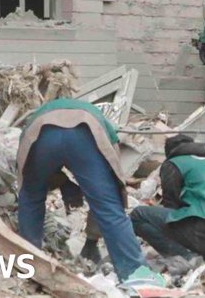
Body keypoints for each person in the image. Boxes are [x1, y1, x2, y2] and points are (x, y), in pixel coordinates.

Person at [16, 98, 162, 284]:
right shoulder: (103, 123)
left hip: (41, 133)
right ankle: (135, 275)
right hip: (86, 132)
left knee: (30, 198)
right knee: (109, 207)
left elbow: (23, 168)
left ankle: (29, 263)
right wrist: (92, 238)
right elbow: (113, 180)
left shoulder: (36, 116)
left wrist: (43, 184)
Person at [130, 135, 205, 260]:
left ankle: (188, 258)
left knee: (138, 215)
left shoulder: (175, 162)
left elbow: (172, 205)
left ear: (169, 153)